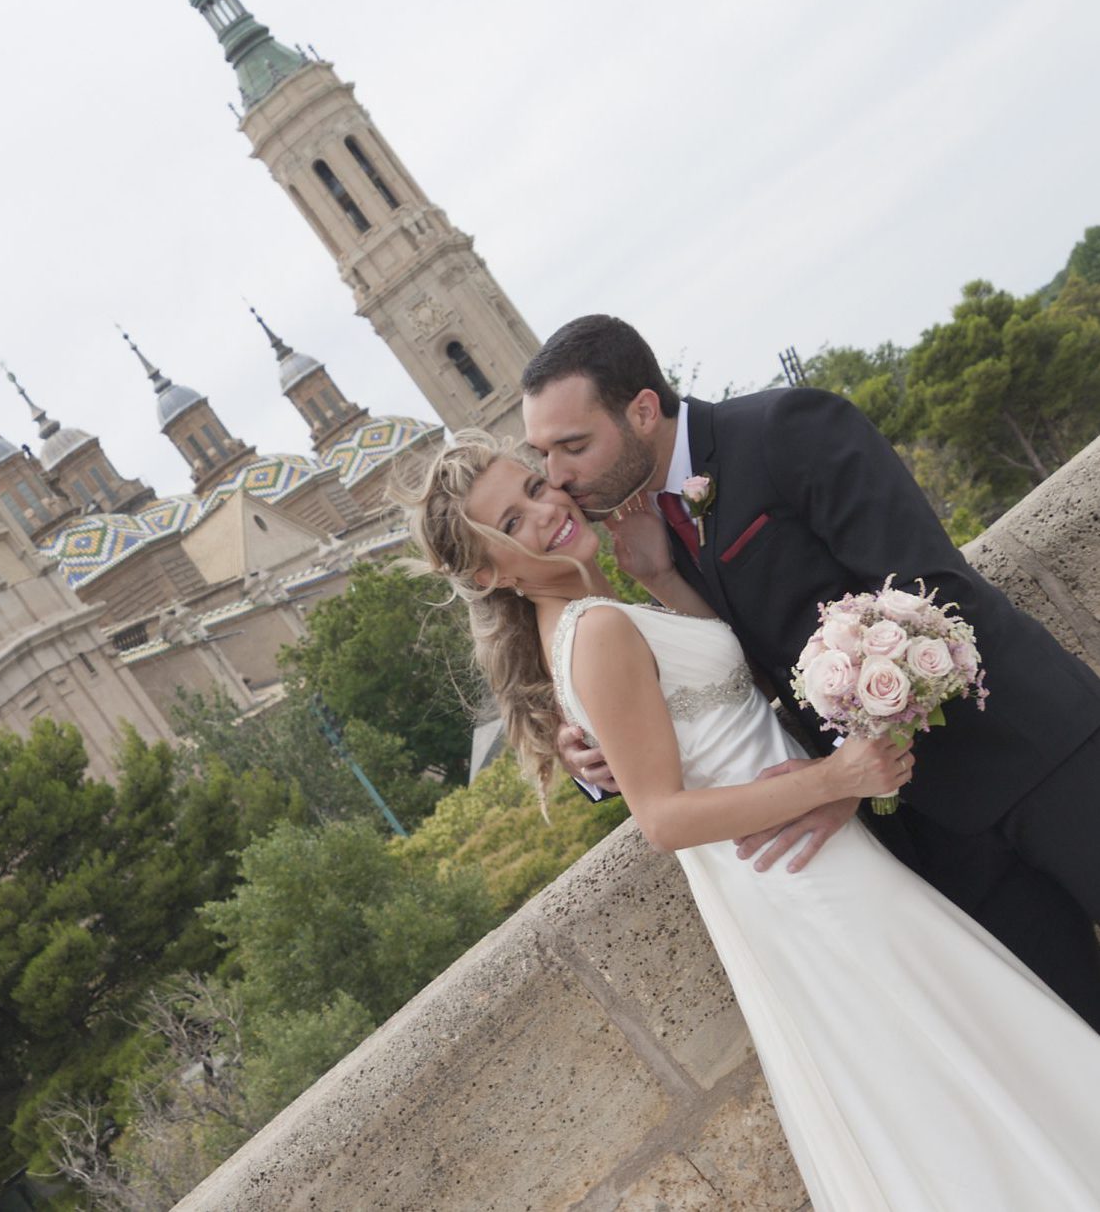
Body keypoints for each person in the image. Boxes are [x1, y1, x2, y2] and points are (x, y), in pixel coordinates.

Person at [398, 430, 1100, 1211]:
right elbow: (661, 816)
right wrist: (835, 775)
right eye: (514, 517)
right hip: (804, 869)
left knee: (958, 1055)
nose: (546, 507)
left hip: (807, 859)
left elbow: (714, 690)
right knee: (957, 1051)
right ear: (489, 570)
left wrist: (660, 573)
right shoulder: (592, 631)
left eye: (535, 485)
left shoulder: (593, 614)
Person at [519, 314, 1100, 1031]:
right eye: (542, 454)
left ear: (642, 410)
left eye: (573, 446)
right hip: (932, 839)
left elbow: (930, 593)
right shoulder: (644, 534)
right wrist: (593, 756)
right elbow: (719, 682)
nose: (558, 478)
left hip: (1032, 754)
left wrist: (842, 783)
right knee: (1078, 1036)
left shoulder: (787, 427)